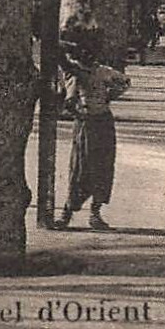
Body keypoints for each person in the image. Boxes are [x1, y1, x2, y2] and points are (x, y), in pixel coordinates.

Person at [54, 57, 131, 230]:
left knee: (99, 167)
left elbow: (125, 82)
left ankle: (90, 214)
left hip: (95, 121)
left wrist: (107, 97)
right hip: (91, 122)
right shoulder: (88, 71)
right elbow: (125, 82)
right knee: (82, 167)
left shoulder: (95, 71)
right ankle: (70, 212)